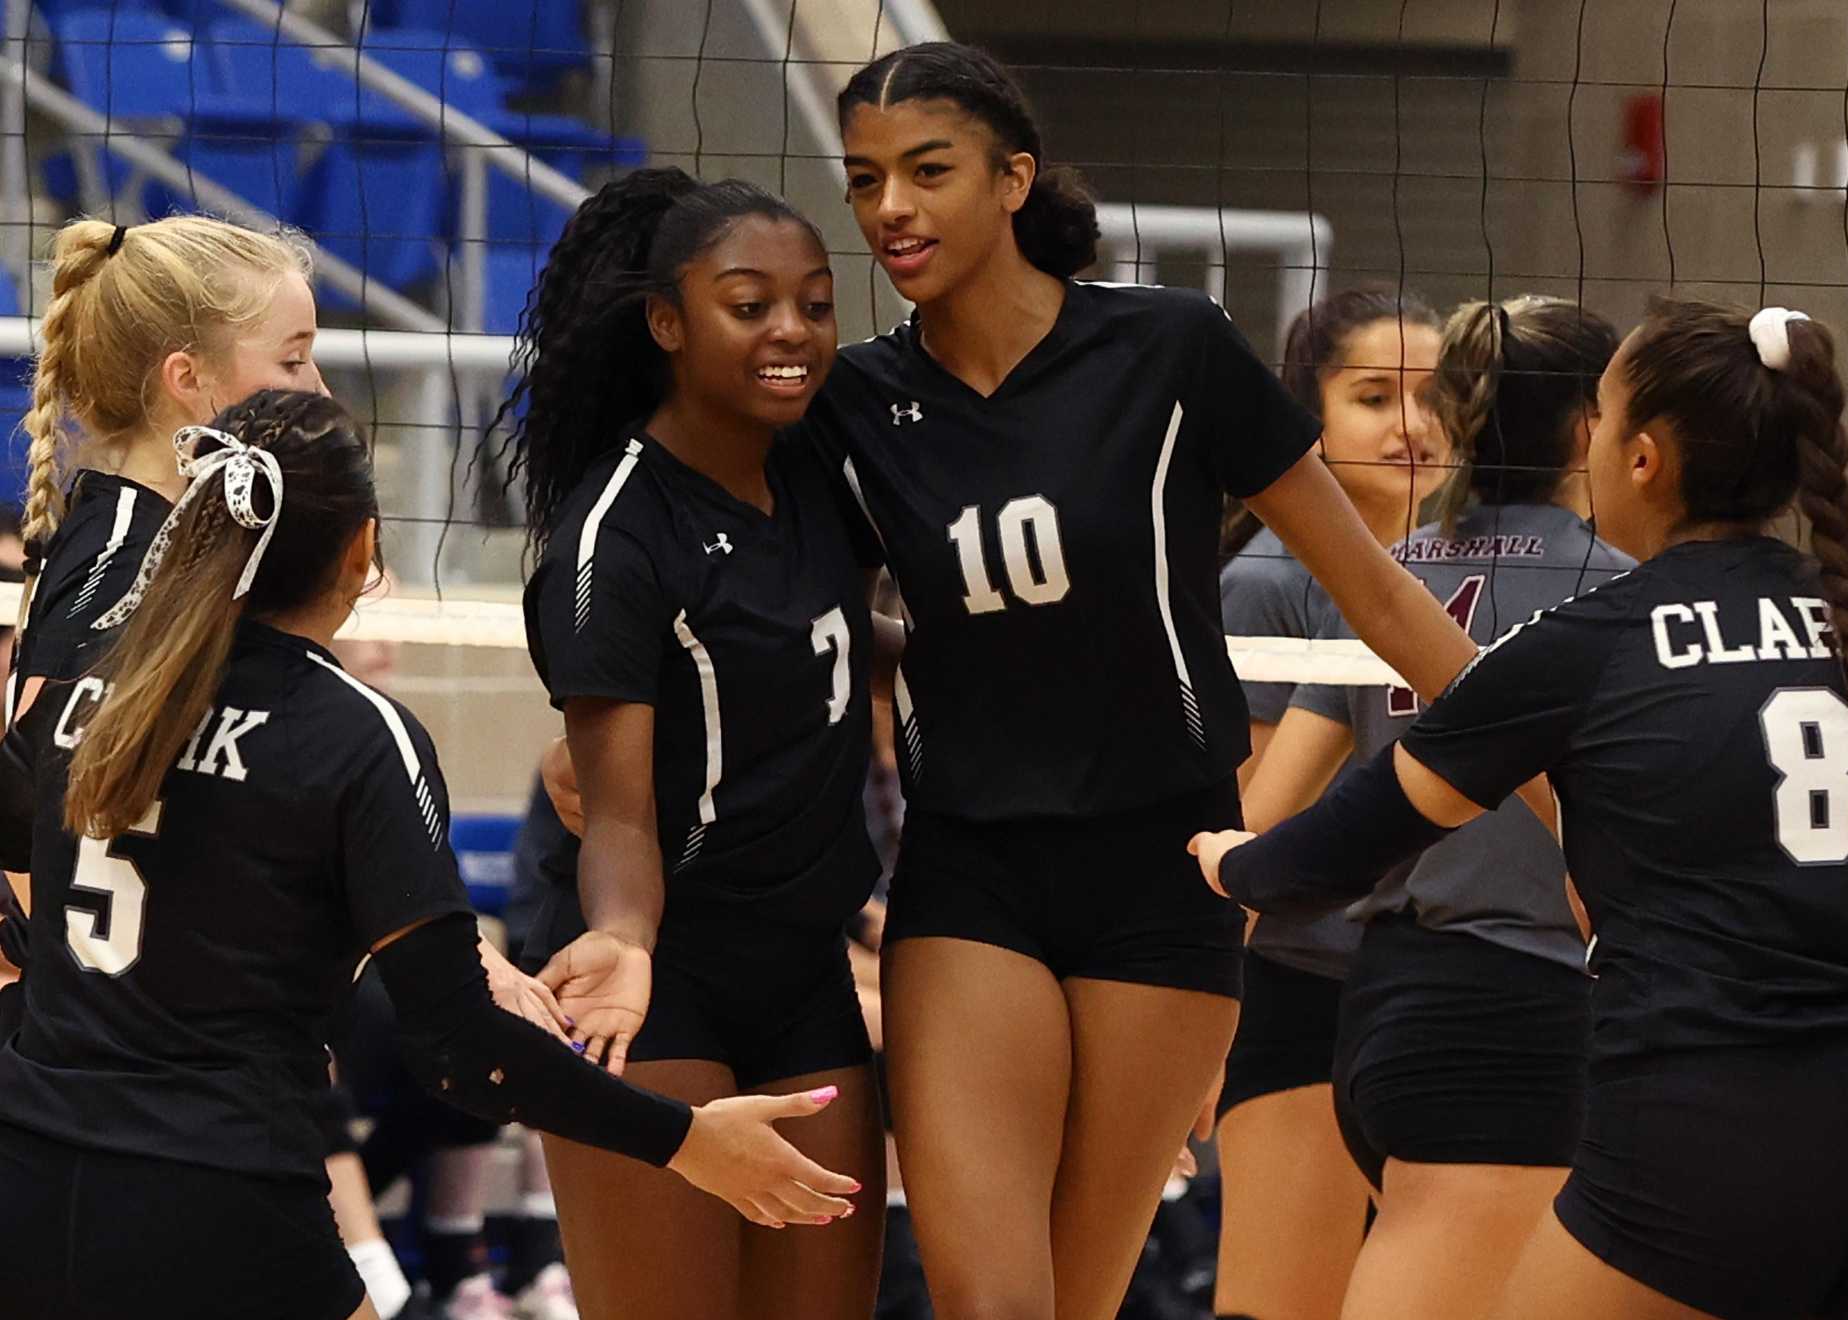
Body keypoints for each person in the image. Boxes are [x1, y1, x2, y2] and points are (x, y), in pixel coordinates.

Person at [802, 41, 1481, 1319]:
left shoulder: (1168, 350)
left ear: (1012, 181)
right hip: (970, 876)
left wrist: (1558, 779)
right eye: (865, 179)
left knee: (1076, 1299)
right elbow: (775, 618)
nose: (890, 208)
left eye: (926, 171)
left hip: (1160, 878)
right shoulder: (853, 402)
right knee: (993, 1303)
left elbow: (1377, 592)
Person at [1193, 300, 1848, 1320]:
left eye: (1607, 419)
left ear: (1642, 458)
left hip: (1701, 1123)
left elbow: (1351, 833)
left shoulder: (1599, 633)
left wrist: (1232, 865)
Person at [0, 390, 859, 1320]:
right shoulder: (356, 736)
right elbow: (460, 1052)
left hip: (32, 1181)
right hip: (220, 1201)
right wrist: (687, 1141)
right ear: (364, 551)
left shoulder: (90, 694)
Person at [503, 170, 887, 1319]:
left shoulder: (824, 463)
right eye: (747, 304)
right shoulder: (613, 539)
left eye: (814, 305)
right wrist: (623, 937)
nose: (790, 333)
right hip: (662, 987)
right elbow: (613, 810)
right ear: (667, 323)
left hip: (808, 977)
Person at [1242, 295, 1630, 1319]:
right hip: (1515, 1014)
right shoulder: (1624, 595)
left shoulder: (1385, 582)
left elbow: (1269, 816)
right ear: (1593, 426)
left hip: (1383, 1008)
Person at [1211, 284, 1448, 1320]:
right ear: (1307, 417)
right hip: (1303, 991)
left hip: (1428, 991)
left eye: (1435, 394)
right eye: (1372, 395)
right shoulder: (1267, 580)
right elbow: (1243, 824)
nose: (1411, 424)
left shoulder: (1463, 564)